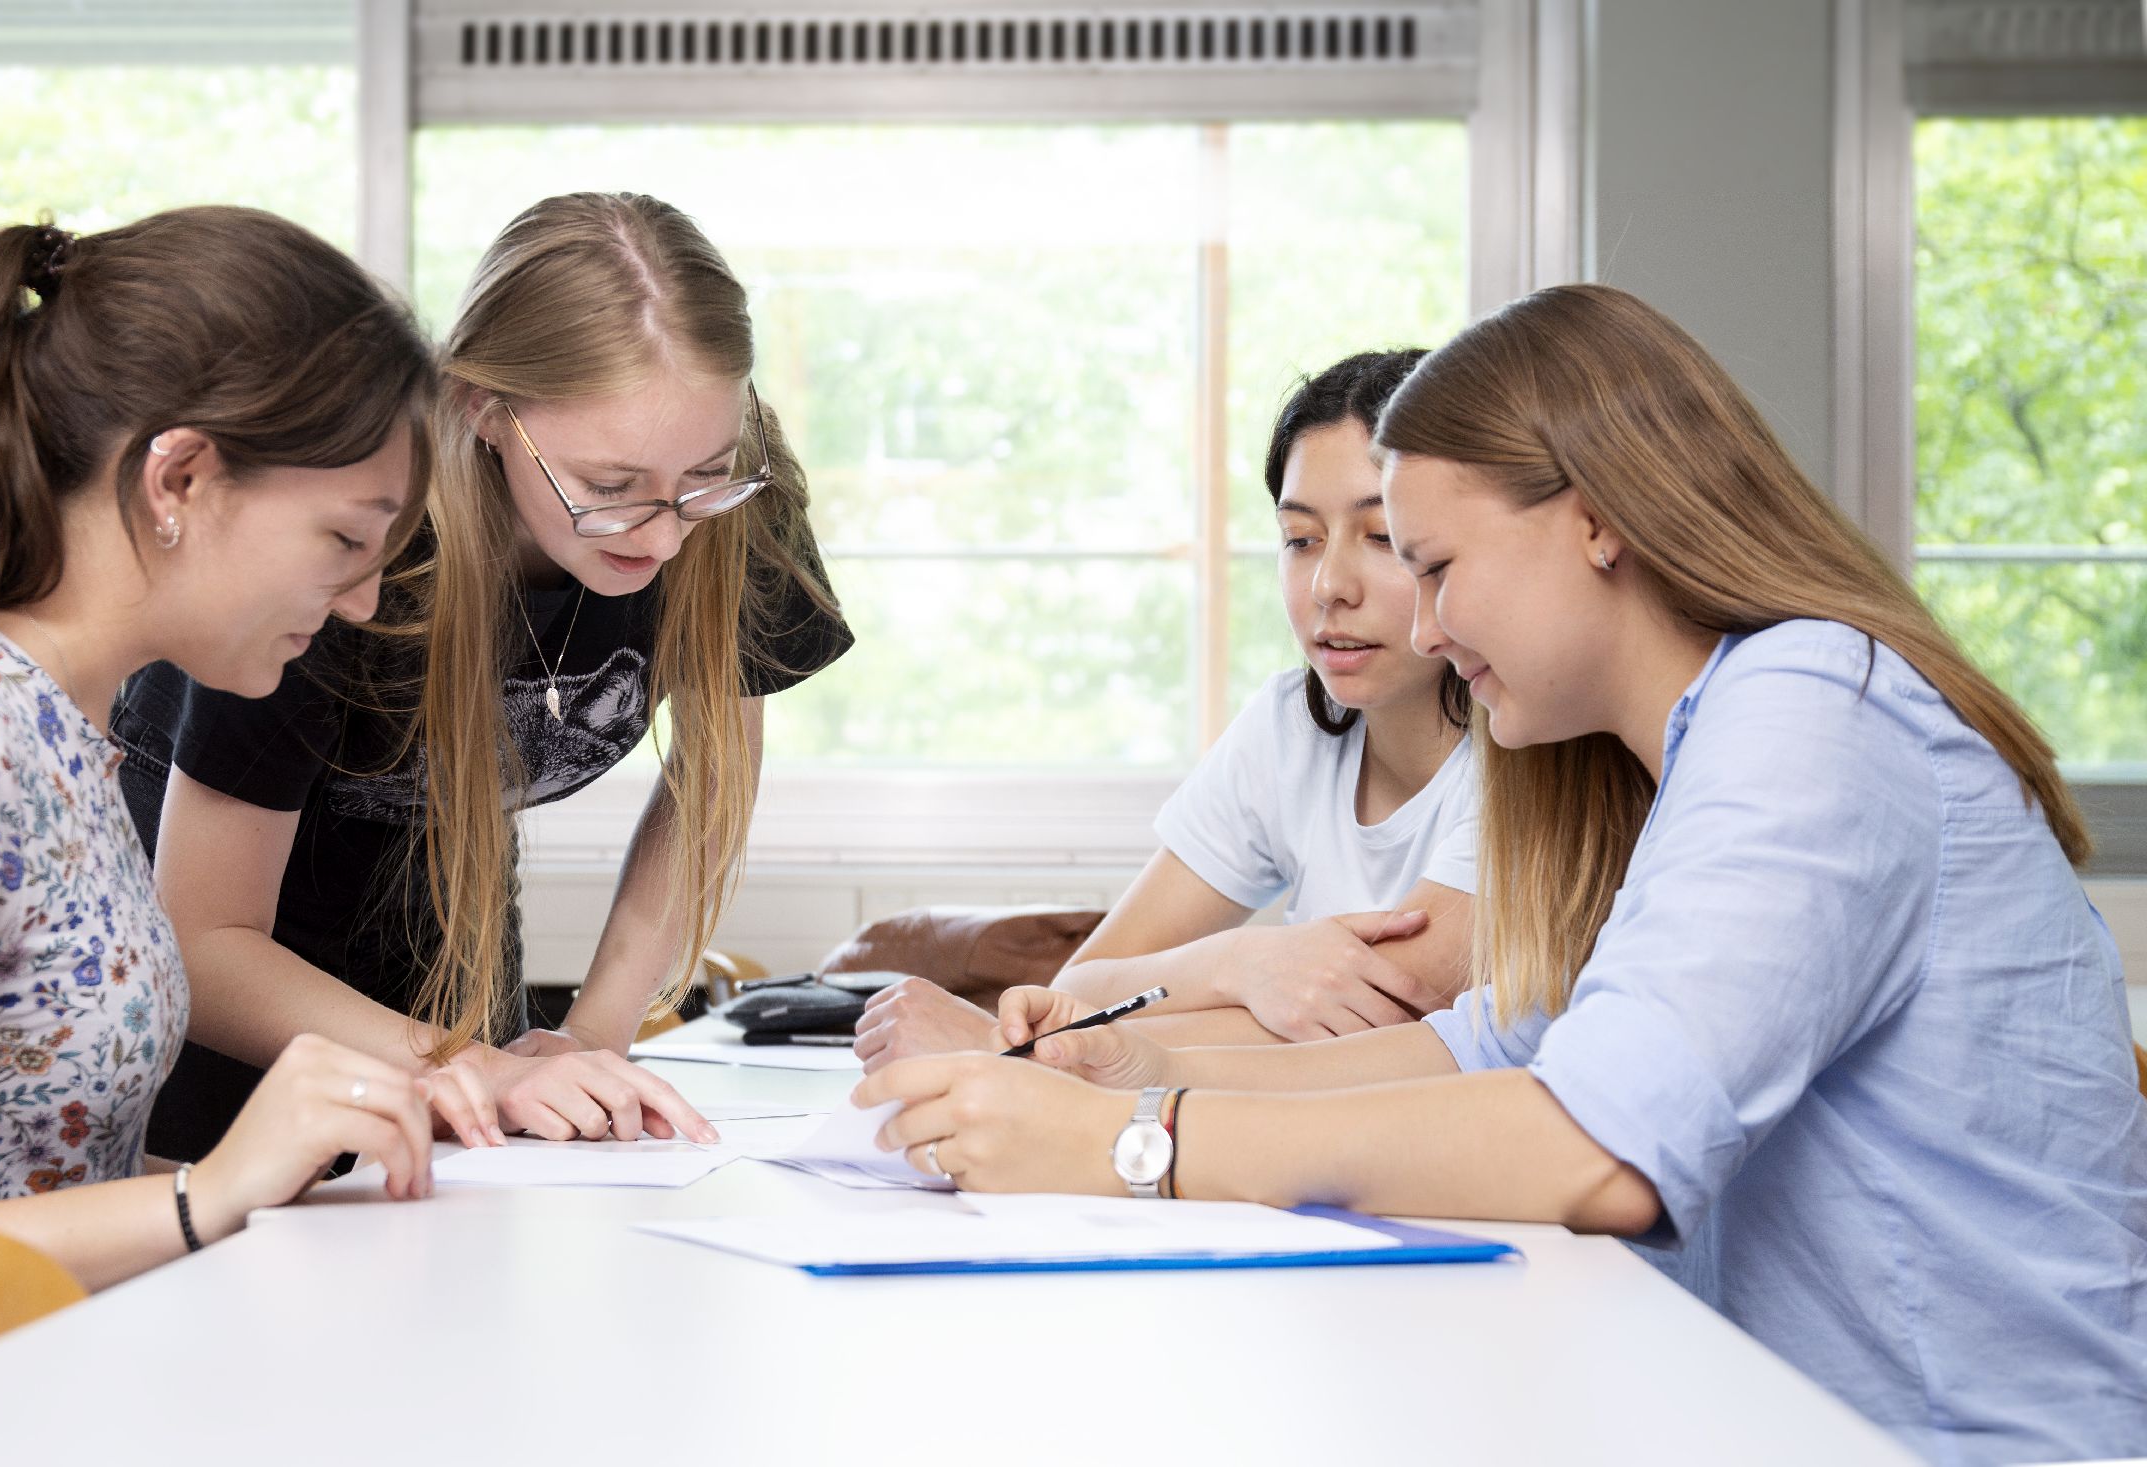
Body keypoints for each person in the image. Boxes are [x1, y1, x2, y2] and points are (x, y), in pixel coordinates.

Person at [858, 284, 2147, 1466]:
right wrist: (1137, 1068)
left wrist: (1133, 1148)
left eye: (1433, 566)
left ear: (1595, 522)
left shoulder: (1816, 711)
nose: (1417, 628)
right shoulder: (1670, 753)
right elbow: (1491, 1050)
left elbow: (1598, 1152)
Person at [0, 209, 469, 1289]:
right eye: (343, 541)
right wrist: (206, 1196)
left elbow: (20, 1182)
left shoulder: (67, 724)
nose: (363, 601)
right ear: (178, 478)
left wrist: (289, 1193)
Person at [113, 193, 852, 1159]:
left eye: (702, 475)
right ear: (484, 410)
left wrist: (587, 1041)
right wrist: (471, 1067)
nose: (667, 534)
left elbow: (711, 778)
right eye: (607, 489)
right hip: (227, 1000)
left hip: (448, 952)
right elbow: (202, 940)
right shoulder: (350, 544)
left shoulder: (726, 500)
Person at [855, 351, 1473, 1071]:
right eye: (1300, 539)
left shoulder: (1525, 757)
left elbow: (1381, 1029)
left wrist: (1013, 1048)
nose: (1330, 584)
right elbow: (1082, 982)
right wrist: (1244, 961)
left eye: (1383, 538)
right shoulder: (1290, 729)